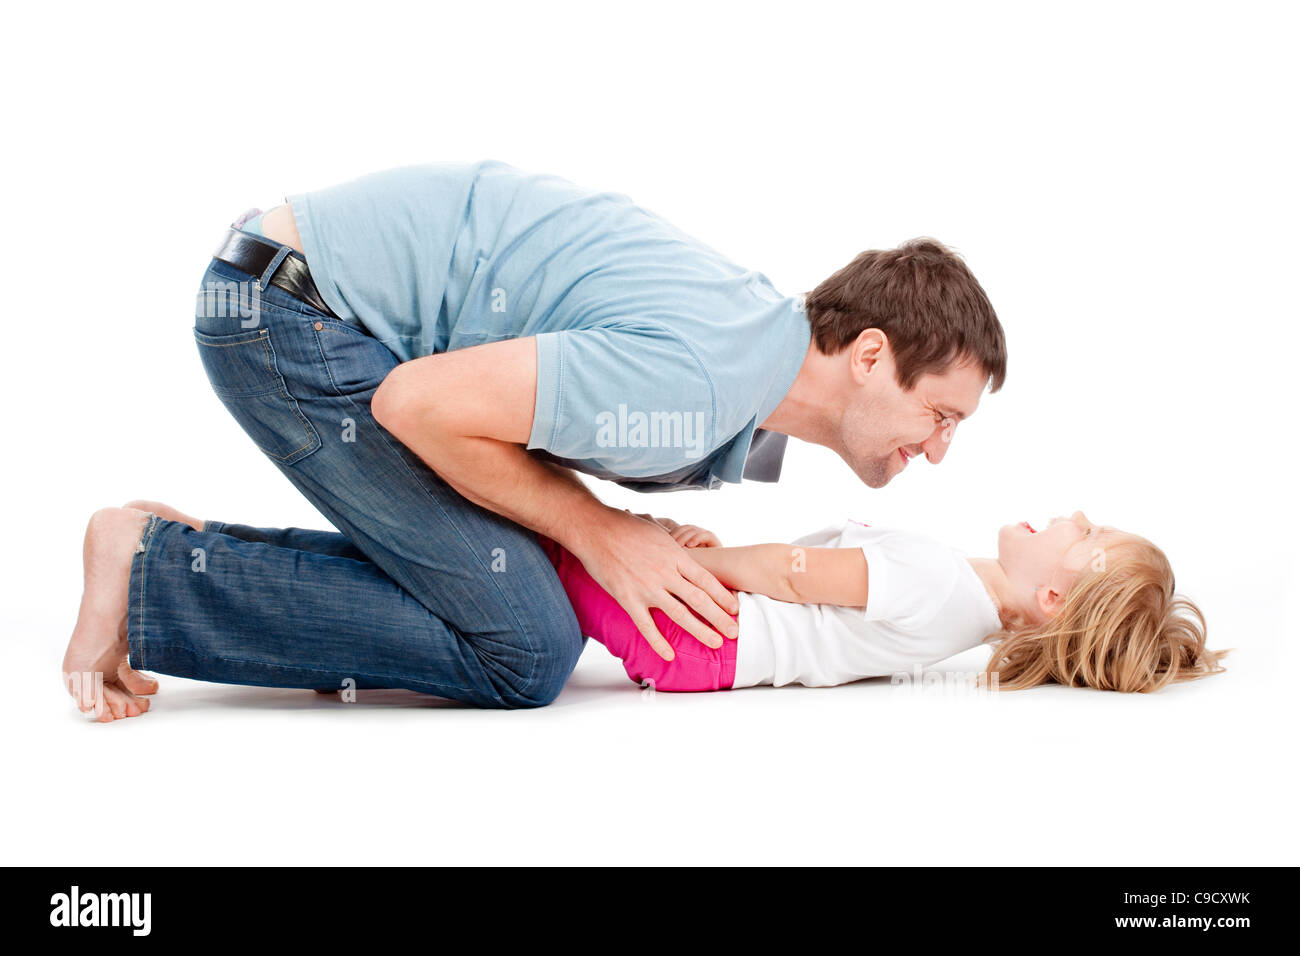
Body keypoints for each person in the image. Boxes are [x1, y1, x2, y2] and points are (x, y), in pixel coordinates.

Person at [61, 161, 1007, 721]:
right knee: (523, 644)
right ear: (872, 355)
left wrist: (606, 526)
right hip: (284, 311)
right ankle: (153, 572)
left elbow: (510, 414)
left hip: (304, 300)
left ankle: (180, 564)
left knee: (512, 584)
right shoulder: (700, 382)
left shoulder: (745, 354)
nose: (937, 451)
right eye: (942, 415)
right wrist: (597, 529)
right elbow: (418, 406)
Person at [540, 512, 1227, 693]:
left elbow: (793, 574)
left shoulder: (936, 580)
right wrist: (715, 562)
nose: (1074, 512)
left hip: (698, 632)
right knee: (582, 536)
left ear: (1052, 597)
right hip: (708, 636)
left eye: (1090, 532)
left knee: (556, 536)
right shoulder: (959, 602)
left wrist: (682, 564)